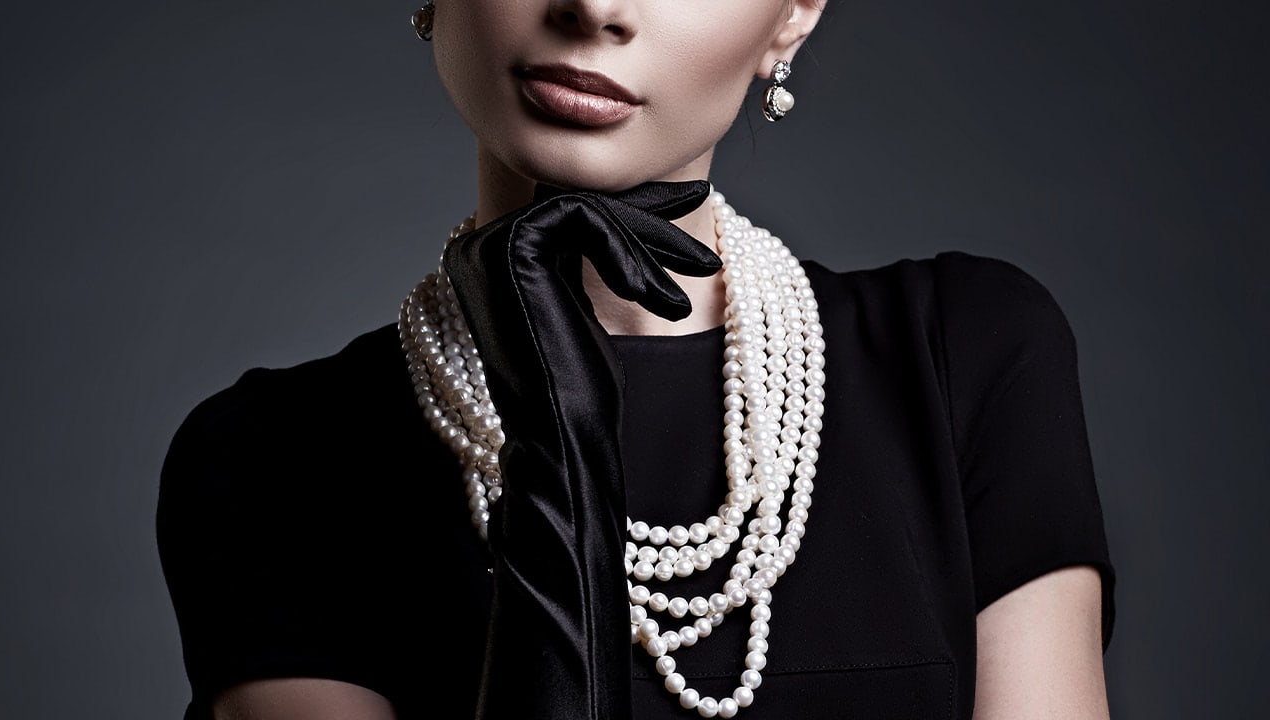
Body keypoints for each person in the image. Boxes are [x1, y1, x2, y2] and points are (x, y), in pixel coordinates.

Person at [156, 1, 1117, 718]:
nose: (596, 9)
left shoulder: (967, 357)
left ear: (791, 16)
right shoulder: (270, 460)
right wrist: (556, 447)